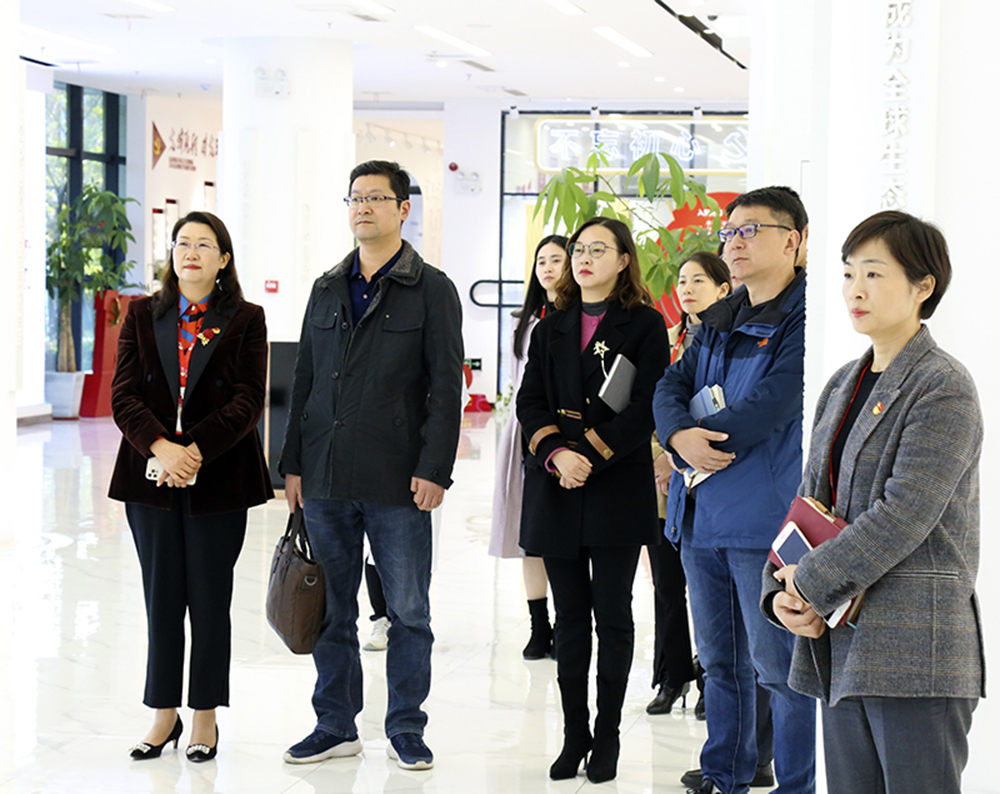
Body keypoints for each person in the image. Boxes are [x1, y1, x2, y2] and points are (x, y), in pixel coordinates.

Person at [763, 210, 984, 794]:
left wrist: (808, 582)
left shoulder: (943, 385)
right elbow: (809, 504)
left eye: (875, 274)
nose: (855, 289)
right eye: (847, 273)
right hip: (842, 643)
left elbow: (904, 514)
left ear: (923, 287)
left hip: (915, 649)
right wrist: (780, 589)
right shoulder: (842, 382)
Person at [279, 160, 463, 771]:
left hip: (398, 480)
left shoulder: (431, 287)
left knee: (409, 611)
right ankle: (334, 724)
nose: (363, 207)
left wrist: (435, 467)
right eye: (354, 198)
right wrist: (292, 464)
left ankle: (406, 727)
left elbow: (444, 387)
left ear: (403, 208)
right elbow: (303, 377)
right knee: (331, 607)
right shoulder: (327, 286)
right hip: (326, 475)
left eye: (376, 198)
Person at [653, 186, 815, 794]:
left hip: (764, 520)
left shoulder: (807, 315)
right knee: (719, 660)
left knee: (778, 666)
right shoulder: (721, 316)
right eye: (731, 232)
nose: (735, 242)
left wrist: (697, 440)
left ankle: (797, 783)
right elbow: (671, 384)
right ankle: (727, 770)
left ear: (793, 240)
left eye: (751, 230)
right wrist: (676, 435)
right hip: (700, 514)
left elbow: (771, 404)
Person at [109, 211, 273, 763]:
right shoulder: (141, 316)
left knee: (209, 598)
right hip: (151, 478)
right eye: (183, 243)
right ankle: (163, 714)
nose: (192, 252)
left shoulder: (246, 319)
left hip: (219, 479)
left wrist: (195, 449)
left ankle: (204, 715)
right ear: (171, 254)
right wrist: (163, 448)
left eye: (205, 244)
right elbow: (123, 395)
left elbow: (249, 399)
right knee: (161, 598)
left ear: (224, 259)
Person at [517, 217, 668, 784]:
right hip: (556, 486)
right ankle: (573, 733)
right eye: (579, 249)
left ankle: (607, 735)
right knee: (569, 620)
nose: (583, 258)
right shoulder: (550, 326)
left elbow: (647, 405)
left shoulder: (646, 325)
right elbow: (529, 402)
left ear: (624, 260)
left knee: (614, 617)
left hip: (615, 490)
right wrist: (557, 454)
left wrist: (591, 454)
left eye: (598, 249)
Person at [646, 252, 731, 716]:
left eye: (700, 279)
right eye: (682, 280)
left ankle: (708, 679)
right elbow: (655, 400)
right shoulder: (670, 339)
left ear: (724, 288)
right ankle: (673, 673)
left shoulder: (728, 340)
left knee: (712, 592)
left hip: (706, 476)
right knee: (666, 584)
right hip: (664, 481)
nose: (687, 288)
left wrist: (676, 455)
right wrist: (663, 455)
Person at [489, 234, 568, 660]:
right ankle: (539, 627)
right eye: (541, 260)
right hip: (524, 433)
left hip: (564, 438)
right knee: (529, 536)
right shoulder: (525, 320)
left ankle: (566, 621)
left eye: (557, 259)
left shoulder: (579, 319)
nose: (548, 267)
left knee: (558, 535)